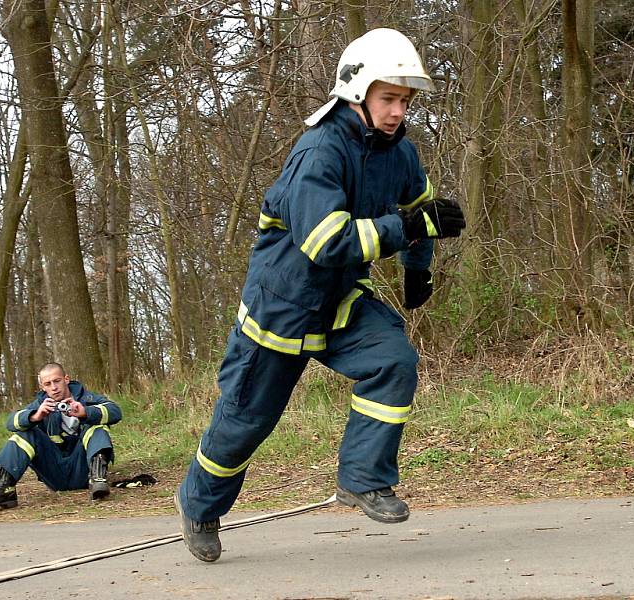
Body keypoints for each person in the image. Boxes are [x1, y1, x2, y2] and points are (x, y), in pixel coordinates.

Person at [175, 27, 465, 562]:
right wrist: (405, 229)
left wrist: (417, 269)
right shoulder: (318, 151)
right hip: (279, 310)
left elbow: (422, 210)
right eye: (389, 98)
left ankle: (364, 479)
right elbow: (325, 242)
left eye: (405, 100)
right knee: (245, 425)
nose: (399, 110)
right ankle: (199, 504)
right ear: (357, 92)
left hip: (338, 303)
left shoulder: (399, 154)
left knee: (394, 360)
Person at [0, 363, 122, 509]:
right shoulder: (40, 404)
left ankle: (97, 478)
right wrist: (35, 416)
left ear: (66, 379)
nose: (54, 387)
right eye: (48, 383)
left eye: (57, 381)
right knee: (26, 431)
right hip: (54, 472)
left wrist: (86, 413)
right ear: (42, 387)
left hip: (84, 470)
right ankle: (5, 490)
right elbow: (10, 423)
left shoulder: (86, 398)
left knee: (96, 425)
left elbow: (115, 411)